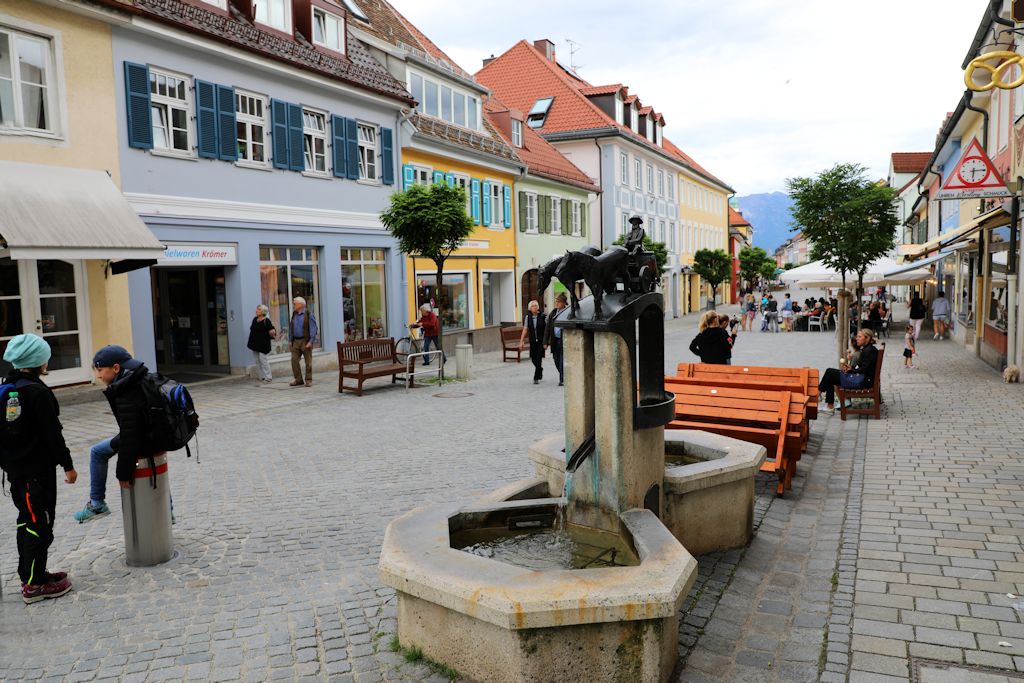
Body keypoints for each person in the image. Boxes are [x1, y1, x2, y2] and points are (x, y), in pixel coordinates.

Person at [1, 334, 77, 604]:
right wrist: (68, 465)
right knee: (40, 523)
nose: (48, 360)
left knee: (28, 519)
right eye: (45, 356)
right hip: (37, 471)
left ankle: (33, 573)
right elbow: (52, 434)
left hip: (17, 471)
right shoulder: (37, 392)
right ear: (36, 360)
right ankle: (33, 585)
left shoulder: (6, 387)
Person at [818, 327, 878, 412]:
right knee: (830, 374)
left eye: (859, 337)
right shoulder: (868, 349)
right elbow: (863, 367)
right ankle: (827, 403)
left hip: (862, 382)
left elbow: (864, 369)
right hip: (862, 379)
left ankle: (820, 396)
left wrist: (851, 370)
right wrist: (851, 368)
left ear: (867, 338)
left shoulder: (869, 351)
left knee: (830, 372)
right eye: (857, 336)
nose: (857, 338)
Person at [289, 297, 318, 387]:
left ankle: (308, 380)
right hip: (296, 341)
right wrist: (290, 340)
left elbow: (314, 329)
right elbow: (291, 328)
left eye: (295, 303)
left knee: (308, 362)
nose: (293, 305)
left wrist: (311, 341)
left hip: (305, 341)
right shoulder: (294, 314)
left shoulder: (309, 314)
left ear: (301, 305)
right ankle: (298, 379)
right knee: (294, 360)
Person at [544, 293, 569, 386]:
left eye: (559, 302)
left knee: (562, 359)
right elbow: (547, 328)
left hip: (563, 340)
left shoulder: (567, 312)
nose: (557, 303)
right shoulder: (553, 313)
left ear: (563, 303)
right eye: (556, 301)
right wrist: (545, 342)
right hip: (555, 340)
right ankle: (564, 375)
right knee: (556, 359)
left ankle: (562, 379)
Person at [247, 304, 276, 383]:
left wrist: (273, 332)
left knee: (263, 360)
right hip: (254, 343)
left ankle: (268, 377)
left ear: (263, 312)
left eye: (259, 309)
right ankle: (262, 376)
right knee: (257, 360)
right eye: (257, 309)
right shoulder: (254, 319)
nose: (256, 310)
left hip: (263, 344)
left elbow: (272, 331)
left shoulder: (267, 321)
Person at [519, 300, 546, 384]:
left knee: (538, 359)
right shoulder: (528, 317)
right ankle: (540, 369)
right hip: (533, 341)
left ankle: (536, 377)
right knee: (533, 358)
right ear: (530, 308)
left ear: (538, 307)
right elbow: (525, 329)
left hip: (541, 341)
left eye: (536, 305)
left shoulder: (543, 316)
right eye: (533, 306)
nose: (534, 307)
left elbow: (547, 329)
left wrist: (547, 341)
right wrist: (521, 341)